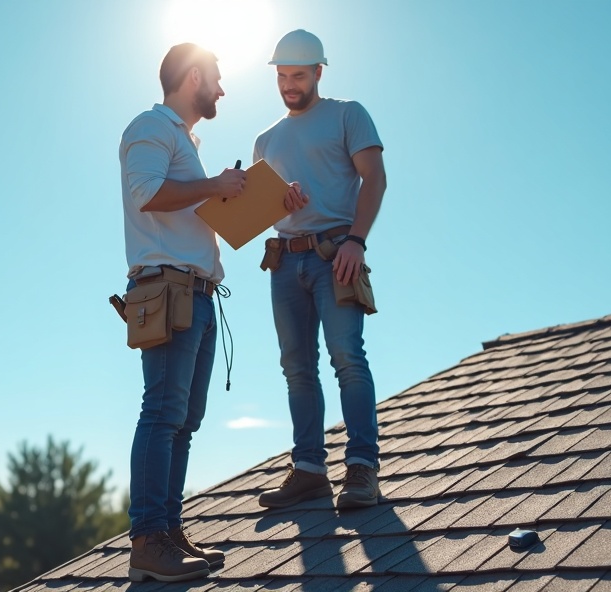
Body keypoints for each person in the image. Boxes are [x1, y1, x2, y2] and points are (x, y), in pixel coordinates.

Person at [117, 41, 306, 581]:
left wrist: (257, 198)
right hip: (167, 289)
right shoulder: (149, 127)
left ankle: (167, 532)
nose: (222, 89)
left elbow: (202, 213)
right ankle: (148, 540)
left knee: (184, 420)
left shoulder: (183, 141)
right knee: (162, 412)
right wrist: (214, 185)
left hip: (194, 293)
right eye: (217, 78)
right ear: (193, 75)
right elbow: (146, 195)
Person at [251, 29, 390, 511]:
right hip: (285, 261)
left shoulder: (348, 114)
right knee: (296, 369)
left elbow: (376, 178)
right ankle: (309, 469)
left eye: (298, 75)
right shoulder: (264, 140)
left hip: (337, 255)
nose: (289, 84)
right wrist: (278, 201)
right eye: (282, 76)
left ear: (318, 72)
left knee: (347, 358)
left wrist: (356, 240)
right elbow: (261, 211)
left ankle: (363, 468)